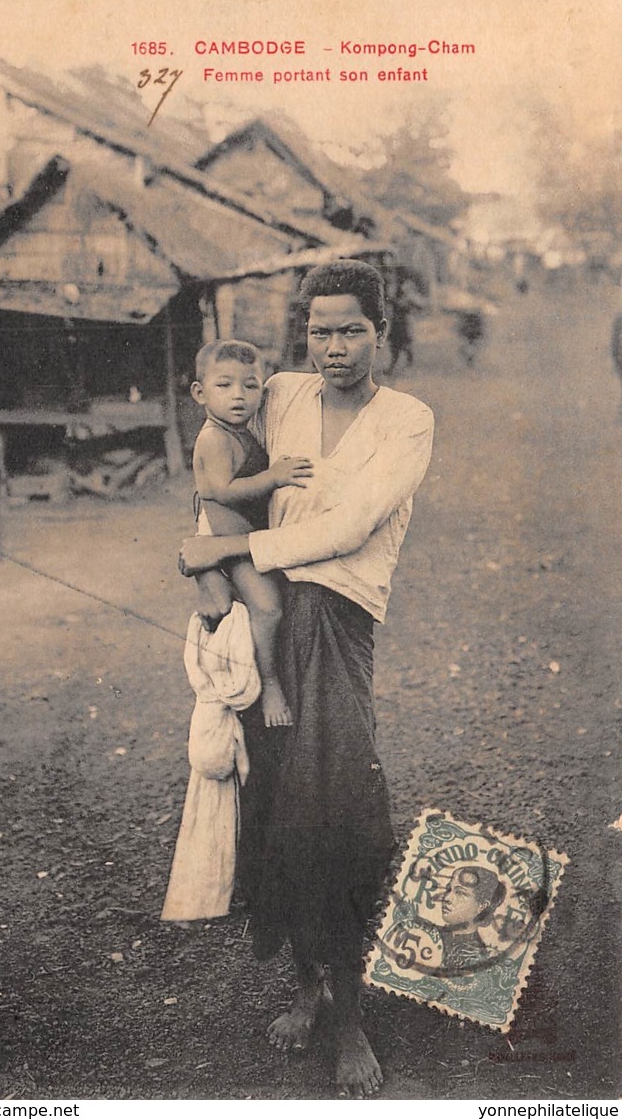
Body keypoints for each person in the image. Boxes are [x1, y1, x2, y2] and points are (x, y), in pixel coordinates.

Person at [178, 260, 434, 1098]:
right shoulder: (279, 392)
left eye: (351, 329)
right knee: (276, 802)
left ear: (380, 333)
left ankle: (354, 1017)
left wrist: (230, 551)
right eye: (320, 329)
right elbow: (217, 467)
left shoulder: (406, 420)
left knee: (340, 807)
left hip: (338, 619)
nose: (333, 346)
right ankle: (305, 987)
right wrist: (210, 557)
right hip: (268, 621)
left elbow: (348, 527)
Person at [189, 339, 313, 727]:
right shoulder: (213, 437)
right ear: (199, 392)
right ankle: (270, 683)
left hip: (245, 540)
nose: (238, 397)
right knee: (268, 607)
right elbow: (221, 490)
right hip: (232, 549)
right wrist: (274, 477)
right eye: (224, 386)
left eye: (251, 385)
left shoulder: (242, 430)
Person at [438, 865, 506, 973]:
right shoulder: (432, 934)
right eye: (448, 889)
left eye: (460, 893)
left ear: (482, 906)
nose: (446, 898)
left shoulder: (478, 957)